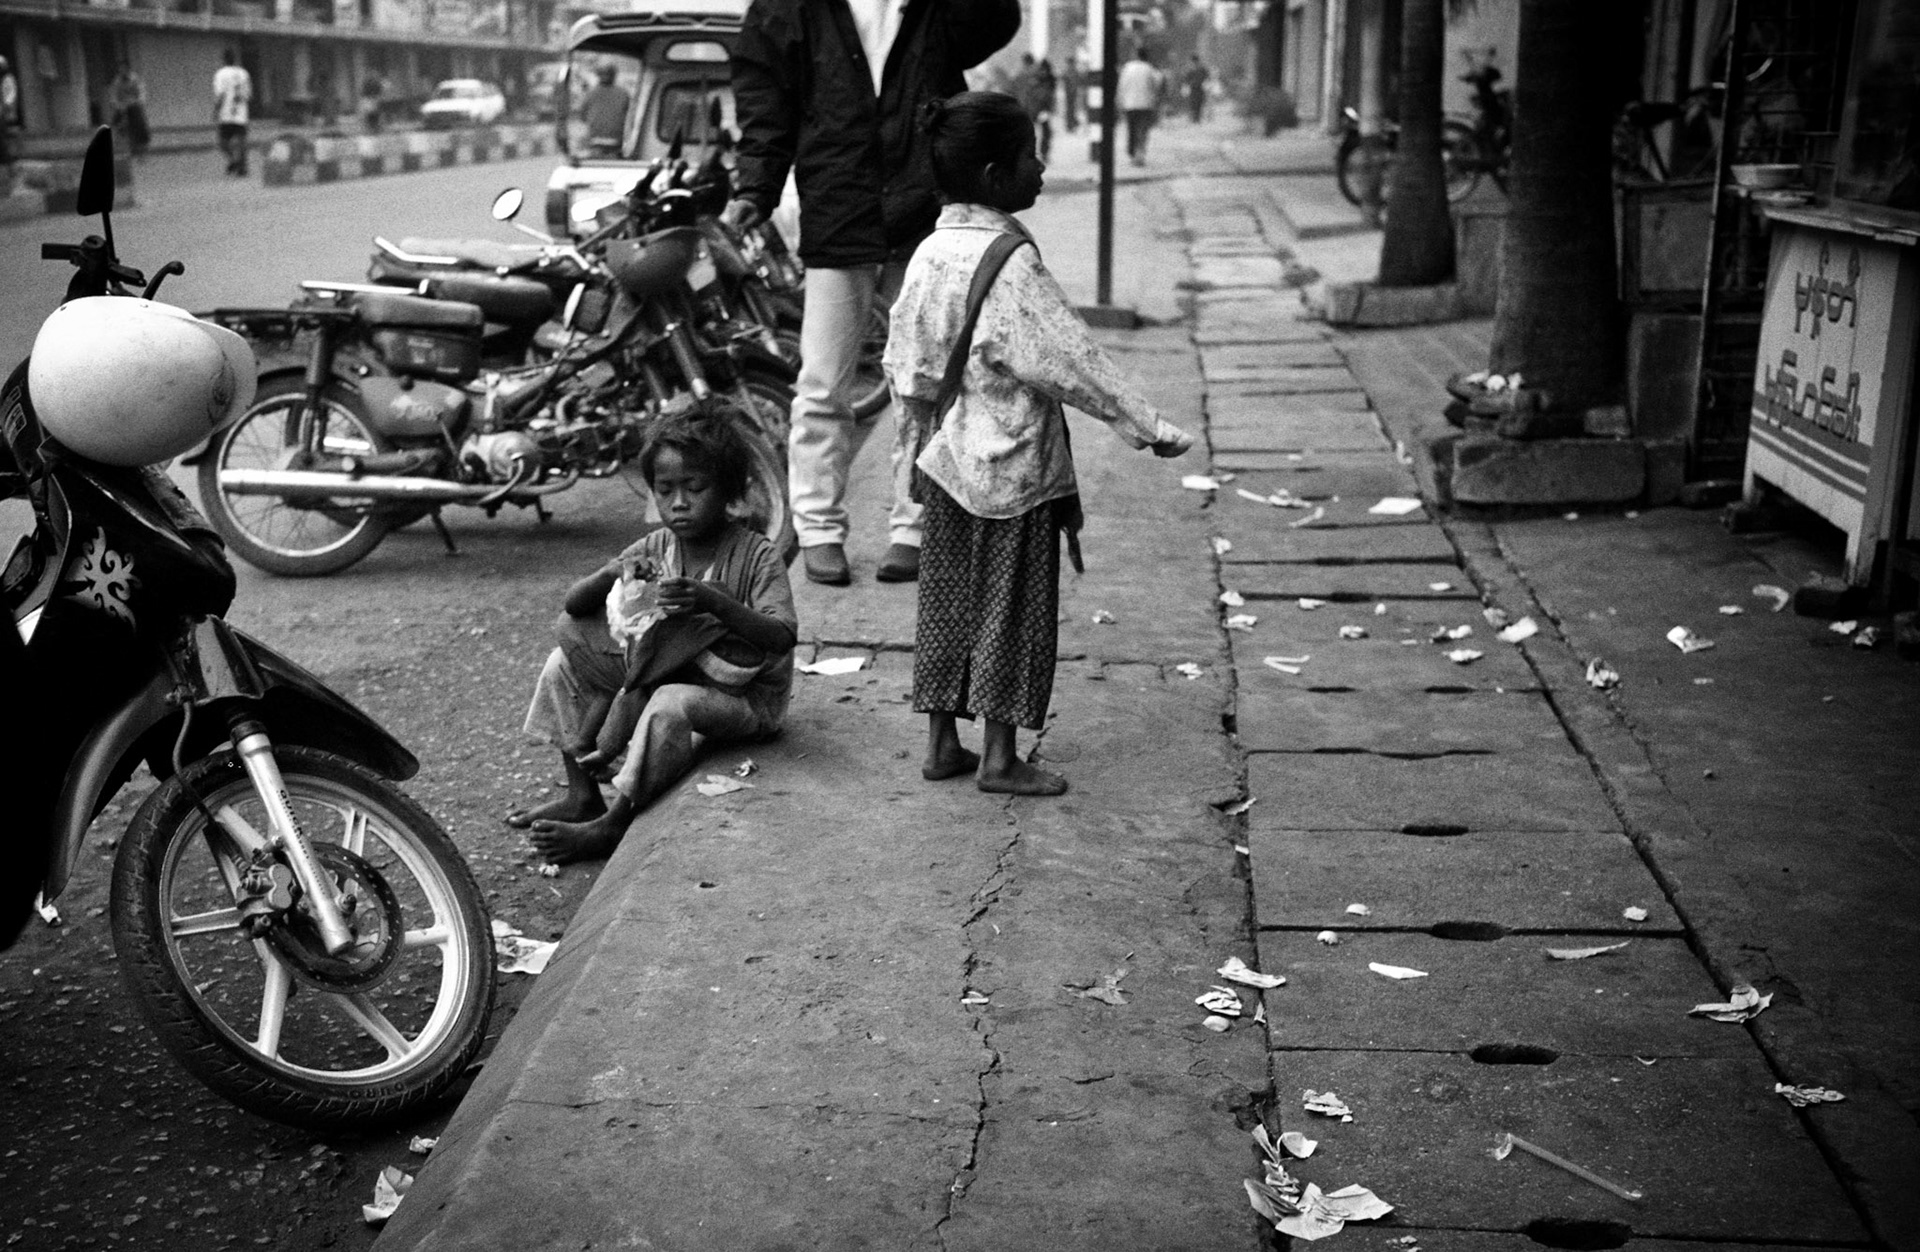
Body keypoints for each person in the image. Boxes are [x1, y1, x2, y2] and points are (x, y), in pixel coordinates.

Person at [886, 92, 1192, 796]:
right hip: (1013, 469)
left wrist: (910, 452)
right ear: (996, 176)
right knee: (1011, 613)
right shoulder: (1011, 260)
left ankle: (942, 744)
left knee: (948, 606)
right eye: (1030, 154)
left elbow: (908, 365)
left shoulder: (928, 252)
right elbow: (1070, 358)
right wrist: (1145, 425)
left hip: (946, 464)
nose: (1042, 165)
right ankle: (998, 758)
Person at [723, 0, 1022, 587]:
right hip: (840, 204)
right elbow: (765, 106)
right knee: (822, 381)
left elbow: (992, 20)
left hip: (922, 207)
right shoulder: (788, 8)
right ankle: (819, 530)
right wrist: (755, 189)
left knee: (926, 379)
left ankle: (912, 525)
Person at [511, 413, 799, 863]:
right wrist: (609, 573)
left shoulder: (756, 554)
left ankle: (616, 822)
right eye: (665, 491)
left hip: (745, 700)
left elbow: (781, 636)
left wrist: (715, 601)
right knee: (560, 663)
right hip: (666, 671)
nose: (679, 503)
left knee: (669, 700)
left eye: (695, 488)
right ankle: (582, 792)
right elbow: (574, 605)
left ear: (729, 491)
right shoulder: (653, 549)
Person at [1116, 47, 1164, 166]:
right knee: (1142, 130)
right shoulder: (1150, 69)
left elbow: (1122, 86)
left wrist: (1120, 101)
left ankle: (1132, 153)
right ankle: (1140, 154)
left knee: (1131, 129)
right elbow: (1156, 85)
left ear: (1136, 55)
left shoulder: (1127, 68)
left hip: (1130, 105)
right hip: (1146, 105)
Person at [212, 50, 252, 177]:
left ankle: (234, 161)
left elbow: (220, 94)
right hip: (241, 112)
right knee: (242, 140)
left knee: (223, 142)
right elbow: (248, 94)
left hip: (226, 113)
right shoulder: (243, 73)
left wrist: (216, 110)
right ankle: (242, 165)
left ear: (224, 59)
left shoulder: (221, 74)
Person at [578, 64, 631, 154]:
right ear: (614, 76)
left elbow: (583, 117)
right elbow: (628, 116)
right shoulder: (623, 93)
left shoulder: (590, 93)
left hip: (595, 141)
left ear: (598, 76)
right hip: (616, 141)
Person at [108, 63, 150, 160]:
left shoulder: (135, 79)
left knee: (140, 125)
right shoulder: (117, 81)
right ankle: (122, 146)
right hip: (122, 106)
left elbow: (142, 93)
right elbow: (113, 95)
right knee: (117, 123)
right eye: (120, 70)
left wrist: (136, 102)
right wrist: (118, 105)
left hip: (134, 105)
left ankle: (142, 149)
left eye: (123, 70)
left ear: (128, 70)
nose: (122, 72)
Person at [0, 55, 20, 183]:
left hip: (4, 113)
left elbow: (10, 97)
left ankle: (9, 164)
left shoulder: (8, 79)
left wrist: (6, 106)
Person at [1181, 54, 1209, 124]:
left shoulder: (1191, 69)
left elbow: (1186, 79)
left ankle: (1196, 117)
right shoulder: (1202, 68)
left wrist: (1187, 84)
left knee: (1195, 102)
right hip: (1198, 87)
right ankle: (1196, 117)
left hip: (1195, 87)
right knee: (1198, 102)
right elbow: (1206, 76)